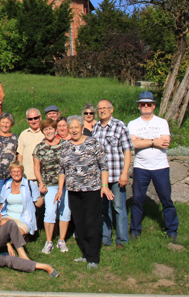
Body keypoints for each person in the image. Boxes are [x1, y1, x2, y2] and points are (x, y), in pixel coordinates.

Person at [55, 115, 113, 269]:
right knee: (80, 224)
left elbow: (104, 165)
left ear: (82, 128)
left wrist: (105, 185)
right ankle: (86, 254)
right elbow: (62, 170)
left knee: (91, 223)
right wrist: (60, 190)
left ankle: (93, 258)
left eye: (76, 127)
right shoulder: (66, 146)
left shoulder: (92, 143)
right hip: (73, 191)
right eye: (71, 127)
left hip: (91, 190)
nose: (74, 130)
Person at [128, 91, 178, 241]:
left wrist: (142, 139)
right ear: (139, 106)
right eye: (142, 104)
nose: (145, 106)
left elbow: (165, 142)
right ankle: (135, 231)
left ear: (153, 106)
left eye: (148, 104)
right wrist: (152, 141)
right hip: (141, 167)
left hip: (160, 167)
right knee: (137, 200)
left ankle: (171, 230)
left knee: (166, 200)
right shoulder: (133, 124)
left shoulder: (162, 122)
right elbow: (132, 143)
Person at [93, 99, 133, 249]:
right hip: (100, 177)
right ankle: (105, 238)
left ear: (112, 109)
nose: (102, 111)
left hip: (116, 175)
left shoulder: (120, 126)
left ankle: (122, 240)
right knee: (103, 209)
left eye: (105, 108)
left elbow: (127, 151)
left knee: (119, 207)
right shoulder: (96, 128)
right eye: (100, 109)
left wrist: (125, 173)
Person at [33, 120, 70, 254]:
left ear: (55, 130)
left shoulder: (65, 145)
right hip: (49, 185)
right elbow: (37, 168)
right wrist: (40, 183)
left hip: (65, 184)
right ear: (43, 132)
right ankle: (49, 241)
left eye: (51, 129)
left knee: (65, 211)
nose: (49, 132)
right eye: (46, 130)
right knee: (50, 211)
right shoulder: (39, 148)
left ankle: (61, 239)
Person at [0, 161, 42, 255]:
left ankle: (5, 244)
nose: (16, 174)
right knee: (3, 223)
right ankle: (9, 244)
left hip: (25, 218)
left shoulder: (29, 185)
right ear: (10, 173)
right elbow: (2, 205)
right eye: (13, 171)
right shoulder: (6, 186)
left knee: (17, 233)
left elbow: (38, 204)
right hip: (10, 216)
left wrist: (42, 194)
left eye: (18, 171)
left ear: (22, 172)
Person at [16, 108, 44, 182]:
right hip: (27, 176)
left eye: (36, 118)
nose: (33, 121)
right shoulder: (23, 134)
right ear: (27, 120)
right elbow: (20, 155)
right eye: (30, 119)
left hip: (43, 177)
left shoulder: (46, 133)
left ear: (40, 117)